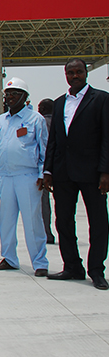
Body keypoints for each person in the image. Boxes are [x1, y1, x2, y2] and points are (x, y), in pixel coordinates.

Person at [44, 58, 109, 290]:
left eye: (78, 72)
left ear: (86, 73)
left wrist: (105, 171)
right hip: (63, 173)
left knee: (98, 223)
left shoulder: (101, 99)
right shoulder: (59, 103)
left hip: (92, 173)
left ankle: (96, 270)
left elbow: (107, 138)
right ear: (66, 75)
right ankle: (72, 267)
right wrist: (48, 170)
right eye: (70, 72)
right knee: (63, 221)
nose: (75, 76)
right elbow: (54, 140)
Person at [0, 78, 49, 277]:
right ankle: (9, 258)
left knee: (32, 222)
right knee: (6, 221)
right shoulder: (0, 120)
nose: (10, 97)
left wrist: (43, 174)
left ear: (25, 97)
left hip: (28, 176)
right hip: (6, 177)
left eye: (15, 93)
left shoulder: (35, 119)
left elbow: (44, 149)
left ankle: (39, 262)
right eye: (7, 94)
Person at [37, 98, 56, 244]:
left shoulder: (40, 123)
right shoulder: (59, 122)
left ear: (42, 109)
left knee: (44, 202)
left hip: (44, 169)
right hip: (60, 168)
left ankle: (47, 233)